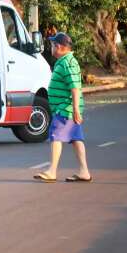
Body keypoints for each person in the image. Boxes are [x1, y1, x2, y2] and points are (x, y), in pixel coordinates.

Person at [34, 32, 92, 183]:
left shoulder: (67, 62)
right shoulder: (65, 61)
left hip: (65, 109)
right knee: (76, 138)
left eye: (52, 45)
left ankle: (52, 171)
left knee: (56, 135)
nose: (51, 47)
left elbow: (74, 88)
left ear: (58, 47)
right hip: (68, 108)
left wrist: (75, 110)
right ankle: (84, 171)